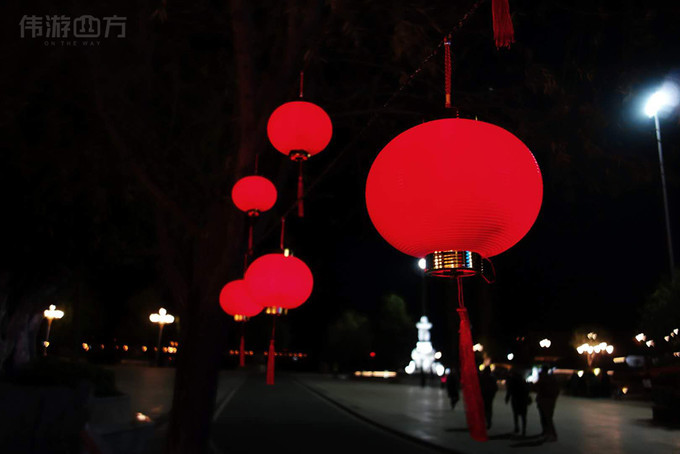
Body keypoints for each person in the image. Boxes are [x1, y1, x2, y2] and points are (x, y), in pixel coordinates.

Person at [505, 368, 531, 437]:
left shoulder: (512, 381)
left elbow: (509, 390)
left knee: (516, 414)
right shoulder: (523, 381)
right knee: (523, 416)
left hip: (516, 399)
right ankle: (523, 430)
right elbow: (527, 390)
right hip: (523, 400)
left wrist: (507, 398)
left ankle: (517, 427)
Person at [535, 367, 559, 442]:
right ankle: (547, 432)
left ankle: (551, 434)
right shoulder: (551, 379)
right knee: (546, 418)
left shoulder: (545, 379)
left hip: (545, 401)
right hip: (547, 400)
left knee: (547, 418)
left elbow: (538, 388)